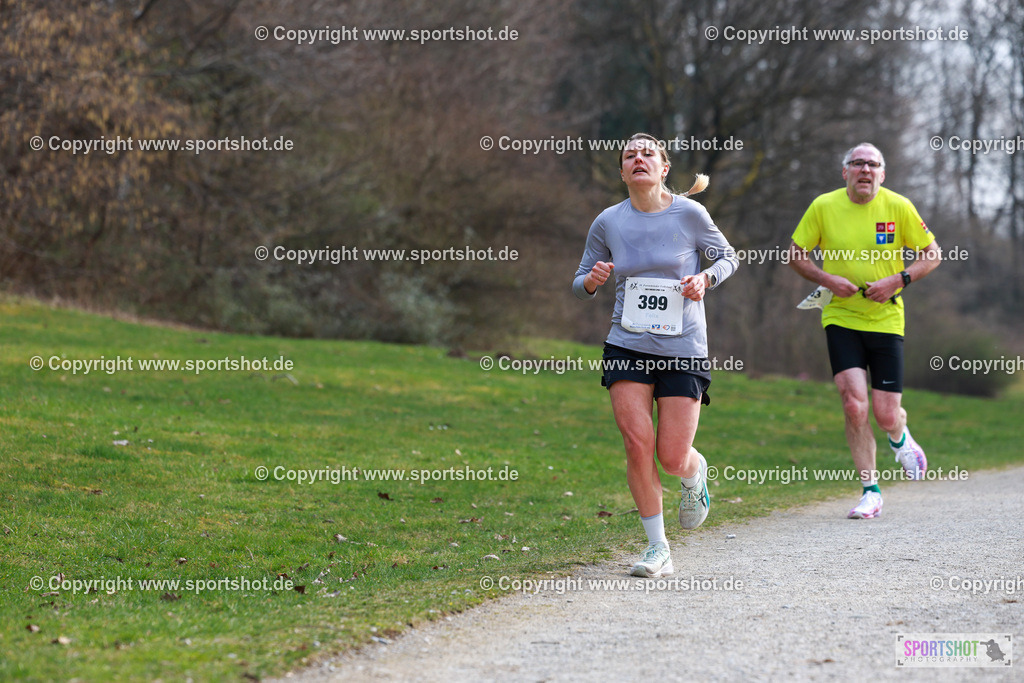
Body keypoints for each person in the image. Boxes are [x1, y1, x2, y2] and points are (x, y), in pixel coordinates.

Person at [573, 133, 738, 577]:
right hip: (626, 344)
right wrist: (594, 279)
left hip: (683, 347)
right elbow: (580, 281)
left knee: (670, 455)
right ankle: (657, 547)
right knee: (636, 443)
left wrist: (705, 280)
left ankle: (693, 472)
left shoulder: (689, 213)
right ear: (623, 171)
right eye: (629, 155)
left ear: (664, 168)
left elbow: (727, 257)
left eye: (647, 154)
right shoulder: (608, 221)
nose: (638, 159)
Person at [788, 142, 941, 519]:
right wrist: (827, 279)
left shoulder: (899, 206)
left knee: (886, 413)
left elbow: (932, 253)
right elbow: (795, 254)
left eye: (872, 165)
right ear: (845, 172)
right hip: (840, 316)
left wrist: (899, 279)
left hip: (886, 318)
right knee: (853, 403)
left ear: (882, 174)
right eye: (857, 164)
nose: (865, 170)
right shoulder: (824, 206)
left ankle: (900, 437)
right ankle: (870, 491)